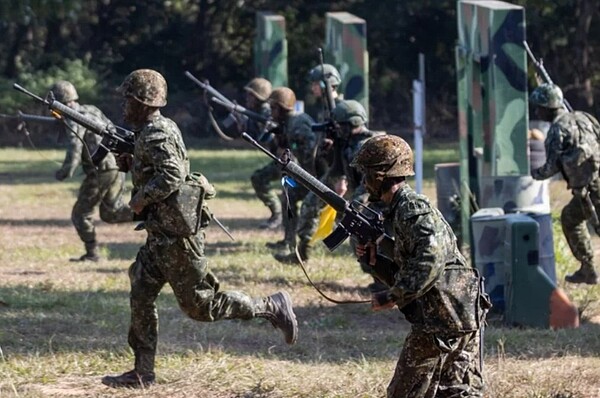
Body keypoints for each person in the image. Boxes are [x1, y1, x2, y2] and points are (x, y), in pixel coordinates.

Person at [102, 69, 298, 389]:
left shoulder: (157, 133)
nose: (123, 105)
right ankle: (142, 372)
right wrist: (131, 163)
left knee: (202, 307)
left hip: (178, 240)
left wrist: (139, 199)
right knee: (140, 290)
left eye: (128, 99)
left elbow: (172, 175)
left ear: (142, 102)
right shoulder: (153, 130)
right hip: (160, 234)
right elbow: (156, 167)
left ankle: (271, 307)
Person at [351, 135, 490, 398]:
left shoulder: (412, 209)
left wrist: (394, 295)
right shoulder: (399, 211)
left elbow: (431, 259)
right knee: (454, 393)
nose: (364, 182)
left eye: (367, 174)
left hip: (443, 319)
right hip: (454, 314)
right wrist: (375, 261)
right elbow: (412, 265)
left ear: (381, 175)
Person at [274, 100, 383, 266]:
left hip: (376, 203)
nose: (336, 130)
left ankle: (381, 278)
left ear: (350, 124)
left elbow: (368, 183)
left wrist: (355, 207)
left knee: (364, 239)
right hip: (358, 196)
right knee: (309, 205)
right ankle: (302, 253)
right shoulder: (345, 142)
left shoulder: (366, 146)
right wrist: (318, 185)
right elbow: (336, 170)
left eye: (339, 126)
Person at [51, 80, 133, 262]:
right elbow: (111, 129)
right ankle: (151, 214)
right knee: (112, 213)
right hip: (116, 165)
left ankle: (92, 253)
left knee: (80, 213)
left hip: (101, 169)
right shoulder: (91, 110)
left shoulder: (73, 117)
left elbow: (74, 147)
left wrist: (65, 172)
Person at [530, 83, 600, 285]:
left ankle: (588, 268)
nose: (537, 111)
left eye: (539, 107)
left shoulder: (556, 131)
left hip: (591, 191)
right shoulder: (585, 117)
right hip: (591, 188)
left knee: (570, 219)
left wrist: (533, 174)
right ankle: (588, 270)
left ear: (547, 107)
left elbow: (551, 168)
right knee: (570, 217)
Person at [262, 87, 317, 258]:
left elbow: (309, 152)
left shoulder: (298, 123)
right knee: (288, 196)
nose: (271, 112)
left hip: (314, 177)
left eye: (273, 108)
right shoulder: (286, 124)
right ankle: (289, 241)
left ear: (282, 108)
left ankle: (299, 250)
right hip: (304, 176)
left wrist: (289, 150)